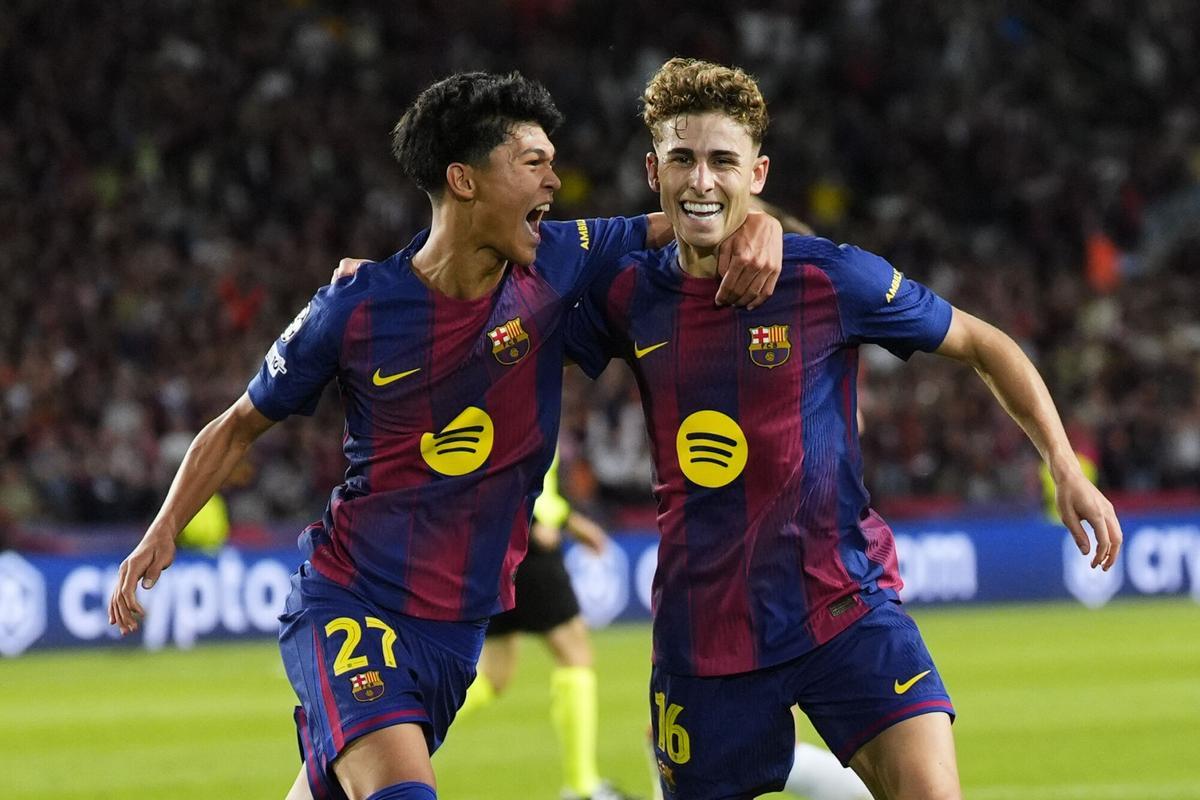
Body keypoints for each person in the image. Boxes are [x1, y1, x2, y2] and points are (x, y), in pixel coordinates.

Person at [106, 70, 781, 800]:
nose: (555, 180)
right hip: (354, 600)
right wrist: (164, 528)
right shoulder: (356, 309)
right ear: (464, 179)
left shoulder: (559, 258)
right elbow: (239, 424)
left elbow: (696, 216)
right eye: (533, 163)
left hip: (458, 629)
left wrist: (763, 225)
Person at [562, 57, 1123, 800]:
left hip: (845, 606)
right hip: (706, 635)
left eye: (723, 161)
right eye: (683, 159)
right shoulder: (625, 288)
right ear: (652, 170)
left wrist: (1065, 464)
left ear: (757, 172)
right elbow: (509, 311)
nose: (702, 180)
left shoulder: (829, 278)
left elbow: (986, 344)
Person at [455, 450, 638, 800]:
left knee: (493, 676)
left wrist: (567, 520)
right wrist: (542, 522)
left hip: (493, 543)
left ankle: (399, 730)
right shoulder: (528, 398)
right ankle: (582, 785)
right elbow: (518, 465)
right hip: (528, 543)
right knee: (576, 654)